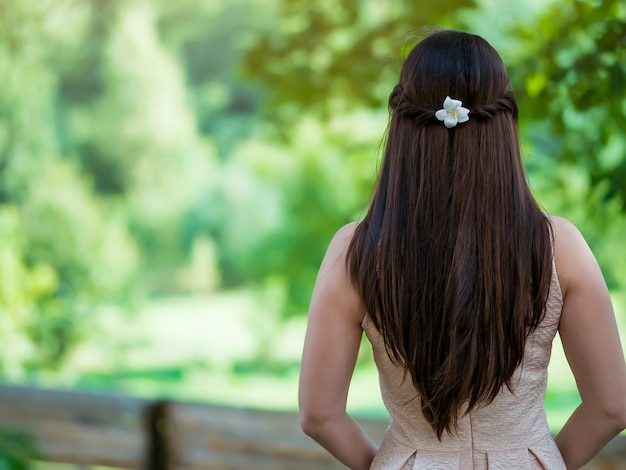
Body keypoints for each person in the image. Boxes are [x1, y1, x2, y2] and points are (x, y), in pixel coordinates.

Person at [298, 30, 626, 469]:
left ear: (400, 122)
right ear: (505, 119)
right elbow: (612, 406)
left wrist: (389, 462)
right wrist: (540, 459)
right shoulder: (559, 246)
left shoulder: (355, 251)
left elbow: (319, 415)